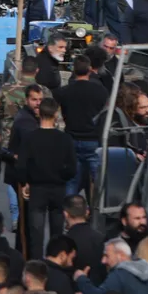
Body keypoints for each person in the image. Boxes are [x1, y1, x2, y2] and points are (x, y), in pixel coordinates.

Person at [16, 97, 77, 259]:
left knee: (36, 233)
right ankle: (55, 262)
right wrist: (61, 176)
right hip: (58, 188)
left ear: (39, 113)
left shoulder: (30, 138)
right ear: (55, 114)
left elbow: (21, 165)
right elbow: (72, 168)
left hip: (37, 188)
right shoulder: (65, 139)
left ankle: (36, 267)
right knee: (57, 232)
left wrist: (25, 182)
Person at [53, 57, 109, 198]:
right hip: (94, 140)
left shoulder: (63, 92)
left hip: (72, 139)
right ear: (90, 70)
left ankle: (70, 213)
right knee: (99, 182)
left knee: (71, 181)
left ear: (73, 70)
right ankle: (98, 214)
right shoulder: (101, 91)